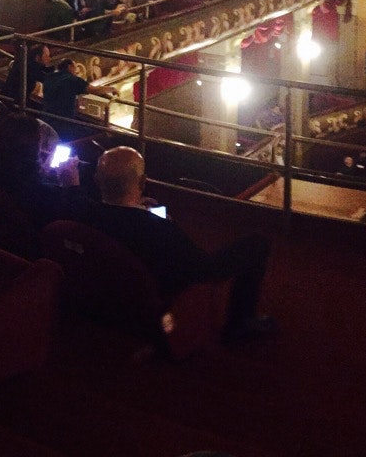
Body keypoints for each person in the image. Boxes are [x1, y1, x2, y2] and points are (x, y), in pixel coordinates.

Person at [85, 147, 275, 343]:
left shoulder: (87, 215)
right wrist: (166, 221)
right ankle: (240, 323)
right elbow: (200, 267)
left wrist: (139, 208)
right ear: (143, 182)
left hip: (110, 304)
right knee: (257, 244)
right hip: (158, 304)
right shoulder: (158, 228)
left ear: (97, 180)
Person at [0, 113, 82, 228]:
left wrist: (43, 171)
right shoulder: (41, 193)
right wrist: (72, 186)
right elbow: (71, 219)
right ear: (34, 149)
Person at [39, 57, 90, 124]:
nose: (76, 70)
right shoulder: (72, 79)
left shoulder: (49, 77)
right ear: (70, 66)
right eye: (75, 67)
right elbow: (94, 90)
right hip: (64, 122)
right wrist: (108, 89)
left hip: (46, 119)